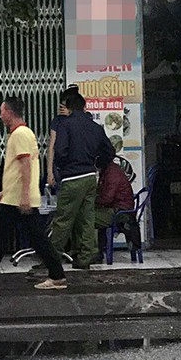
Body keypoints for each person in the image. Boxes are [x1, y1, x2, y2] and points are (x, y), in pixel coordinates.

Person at [0, 96, 67, 291]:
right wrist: (6, 191)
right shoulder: (22, 134)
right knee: (36, 239)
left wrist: (23, 195)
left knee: (0, 240)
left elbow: (26, 166)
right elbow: (17, 169)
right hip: (14, 197)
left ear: (9, 112)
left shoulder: (20, 135)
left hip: (17, 200)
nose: (0, 116)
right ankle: (57, 275)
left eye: (1, 111)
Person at [48, 92, 114, 269]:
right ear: (84, 107)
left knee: (63, 219)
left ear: (68, 108)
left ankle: (52, 258)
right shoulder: (96, 127)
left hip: (72, 177)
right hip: (90, 177)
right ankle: (86, 257)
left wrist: (61, 168)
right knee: (87, 218)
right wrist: (97, 164)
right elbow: (110, 152)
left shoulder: (66, 125)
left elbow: (60, 151)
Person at [94, 153, 135, 257]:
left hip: (120, 213)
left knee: (87, 218)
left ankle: (93, 253)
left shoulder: (112, 174)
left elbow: (107, 198)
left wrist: (92, 200)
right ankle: (96, 251)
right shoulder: (111, 171)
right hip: (120, 209)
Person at [46, 86, 80, 189]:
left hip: (79, 168)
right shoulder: (57, 120)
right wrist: (50, 171)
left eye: (66, 105)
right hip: (61, 168)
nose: (62, 108)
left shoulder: (82, 119)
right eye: (62, 105)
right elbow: (51, 146)